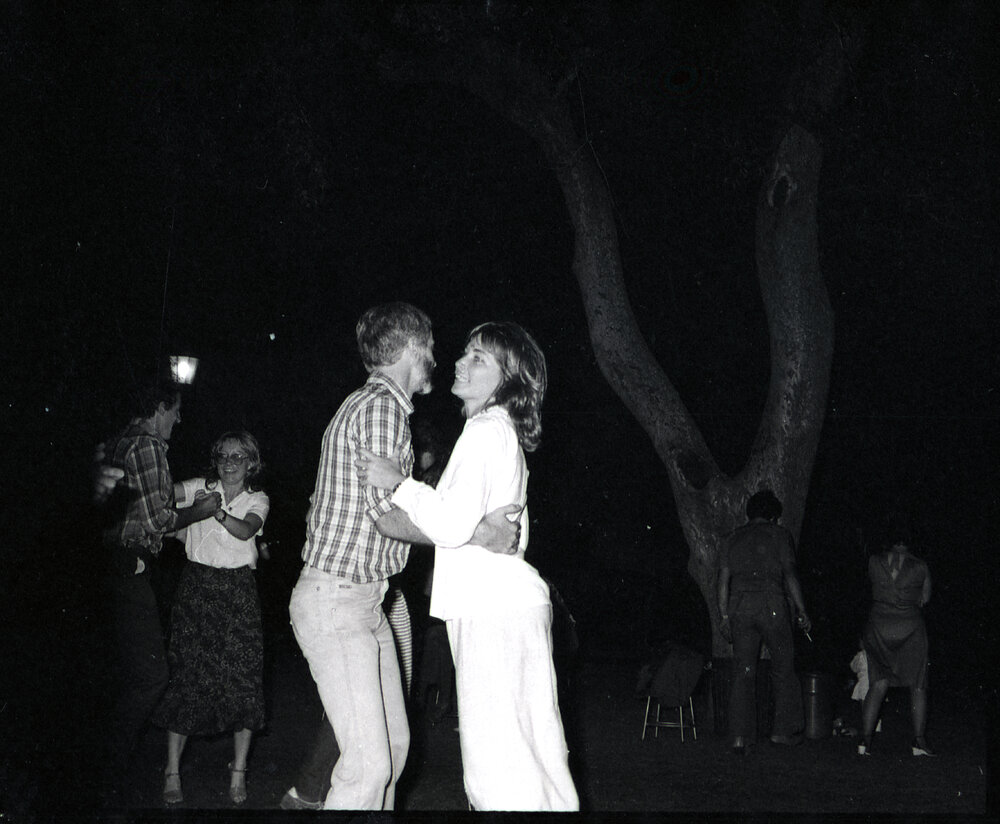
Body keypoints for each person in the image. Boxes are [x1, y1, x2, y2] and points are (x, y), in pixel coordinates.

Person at [287, 303, 519, 811]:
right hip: (338, 601)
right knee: (368, 765)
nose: (438, 357)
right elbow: (387, 517)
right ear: (413, 348)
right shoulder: (382, 409)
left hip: (365, 606)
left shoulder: (375, 407)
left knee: (392, 748)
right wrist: (480, 534)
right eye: (433, 347)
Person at [356, 321, 579, 811]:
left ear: (509, 379)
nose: (461, 361)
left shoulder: (484, 430)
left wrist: (398, 482)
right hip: (505, 607)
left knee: (496, 767)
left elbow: (453, 525)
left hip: (492, 611)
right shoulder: (500, 433)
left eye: (479, 357)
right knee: (531, 759)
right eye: (465, 351)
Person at [98, 380, 222, 801]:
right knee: (152, 677)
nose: (179, 419)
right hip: (129, 567)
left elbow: (142, 508)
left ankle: (106, 766)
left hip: (116, 564)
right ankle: (110, 770)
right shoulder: (148, 445)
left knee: (129, 671)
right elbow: (157, 521)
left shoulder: (120, 442)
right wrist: (200, 511)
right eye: (176, 410)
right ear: (158, 408)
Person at [151, 431, 270, 805]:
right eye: (223, 456)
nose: (230, 463)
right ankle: (172, 771)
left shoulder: (258, 499)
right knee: (188, 677)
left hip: (238, 592)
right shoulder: (199, 487)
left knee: (243, 680)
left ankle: (238, 774)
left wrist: (214, 512)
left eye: (238, 456)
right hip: (196, 590)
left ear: (251, 462)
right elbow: (161, 497)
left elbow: (245, 530)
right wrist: (180, 509)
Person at [280, 586, 414, 811]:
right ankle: (306, 791)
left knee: (394, 747)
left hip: (376, 602)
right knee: (367, 767)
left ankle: (306, 792)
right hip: (338, 595)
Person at [717, 489, 812, 754]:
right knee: (784, 668)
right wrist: (803, 610)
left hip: (740, 606)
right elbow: (790, 573)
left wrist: (724, 615)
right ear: (773, 516)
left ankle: (739, 736)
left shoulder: (732, 538)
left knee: (743, 672)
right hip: (772, 605)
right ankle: (783, 731)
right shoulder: (780, 535)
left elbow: (723, 580)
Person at [857, 512, 933, 757]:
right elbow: (924, 599)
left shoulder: (873, 561)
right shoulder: (921, 566)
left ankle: (864, 742)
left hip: (878, 626)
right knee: (918, 685)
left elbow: (871, 587)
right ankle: (919, 742)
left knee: (878, 683)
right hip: (910, 628)